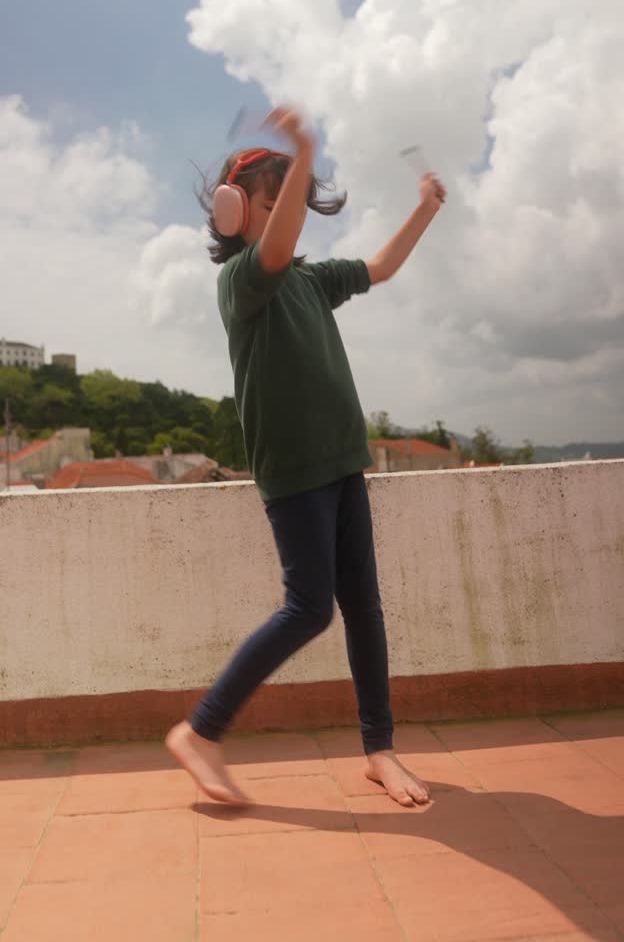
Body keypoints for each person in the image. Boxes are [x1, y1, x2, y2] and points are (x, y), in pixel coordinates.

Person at [167, 106, 447, 807]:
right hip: (293, 471)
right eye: (272, 200)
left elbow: (380, 266)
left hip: (344, 460)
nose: (290, 214)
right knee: (308, 608)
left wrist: (426, 211)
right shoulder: (241, 283)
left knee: (364, 608)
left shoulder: (312, 280)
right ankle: (200, 733)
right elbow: (272, 245)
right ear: (237, 214)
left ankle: (380, 751)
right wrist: (304, 149)